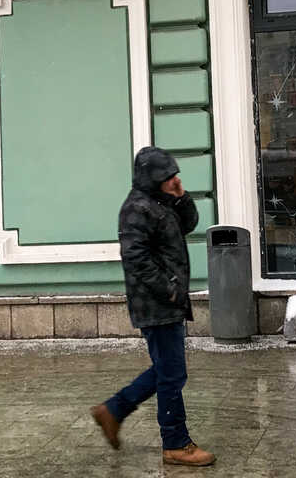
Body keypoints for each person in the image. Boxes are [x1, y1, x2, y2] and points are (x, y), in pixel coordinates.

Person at [90, 146, 216, 467]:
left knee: (167, 370)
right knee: (172, 374)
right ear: (150, 178)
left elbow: (189, 223)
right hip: (156, 304)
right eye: (167, 176)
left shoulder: (160, 202)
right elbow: (135, 258)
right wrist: (169, 290)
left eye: (174, 175)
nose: (173, 180)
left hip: (168, 302)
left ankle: (114, 410)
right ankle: (175, 443)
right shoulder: (136, 209)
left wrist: (180, 195)